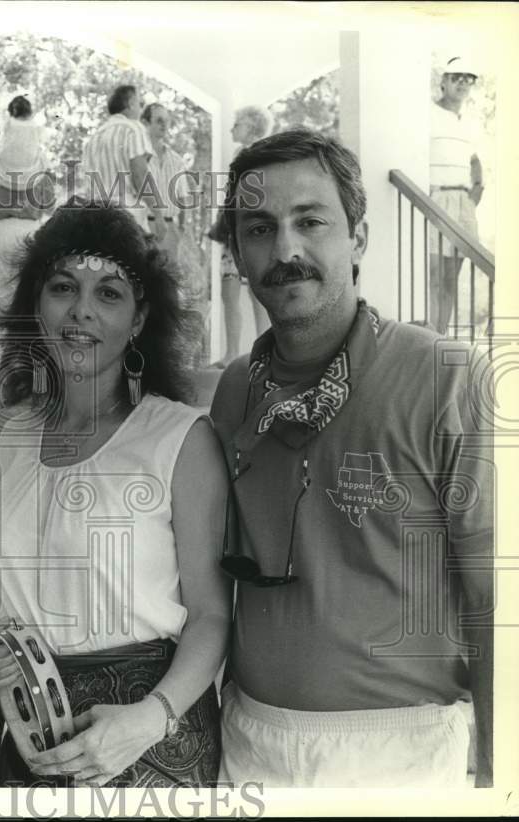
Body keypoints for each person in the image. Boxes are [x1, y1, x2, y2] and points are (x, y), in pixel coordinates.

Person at [211, 129, 493, 787]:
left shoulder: (447, 378)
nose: (286, 250)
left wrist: (501, 770)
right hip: (252, 747)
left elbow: (492, 594)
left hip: (406, 755)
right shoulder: (234, 392)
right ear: (239, 255)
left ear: (358, 236)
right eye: (259, 229)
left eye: (310, 221)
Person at [0, 200, 229, 787]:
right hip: (32, 734)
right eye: (63, 287)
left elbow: (213, 615)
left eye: (109, 294)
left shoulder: (180, 438)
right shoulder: (15, 436)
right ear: (35, 305)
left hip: (148, 742)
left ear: (138, 320)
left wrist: (149, 720)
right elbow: (15, 602)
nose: (81, 311)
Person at [210, 105, 271, 367]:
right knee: (231, 289)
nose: (233, 127)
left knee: (253, 291)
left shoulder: (261, 153)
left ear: (252, 126)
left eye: (238, 123)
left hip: (248, 228)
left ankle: (258, 349)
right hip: (237, 229)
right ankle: (236, 352)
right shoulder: (244, 153)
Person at [429, 56, 484, 335]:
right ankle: (427, 338)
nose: (463, 83)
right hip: (436, 200)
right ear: (444, 81)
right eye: (457, 77)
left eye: (468, 78)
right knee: (435, 278)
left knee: (451, 279)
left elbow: (475, 160)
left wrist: (476, 190)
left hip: (463, 203)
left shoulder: (471, 122)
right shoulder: (427, 113)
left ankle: (440, 336)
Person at [0, 94, 53, 314]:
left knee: (5, 305)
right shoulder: (39, 159)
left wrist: (10, 207)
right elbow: (48, 202)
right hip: (30, 233)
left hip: (3, 231)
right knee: (33, 304)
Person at [81, 85, 165, 242]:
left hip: (94, 218)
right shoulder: (133, 128)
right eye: (139, 103)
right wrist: (158, 215)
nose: (140, 109)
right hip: (126, 218)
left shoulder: (94, 138)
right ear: (131, 103)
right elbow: (140, 175)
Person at [141, 103, 189, 270]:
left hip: (170, 230)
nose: (164, 125)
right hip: (142, 228)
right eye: (159, 120)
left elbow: (183, 197)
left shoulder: (176, 160)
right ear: (146, 123)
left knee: (169, 284)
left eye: (167, 121)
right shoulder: (137, 160)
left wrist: (181, 228)